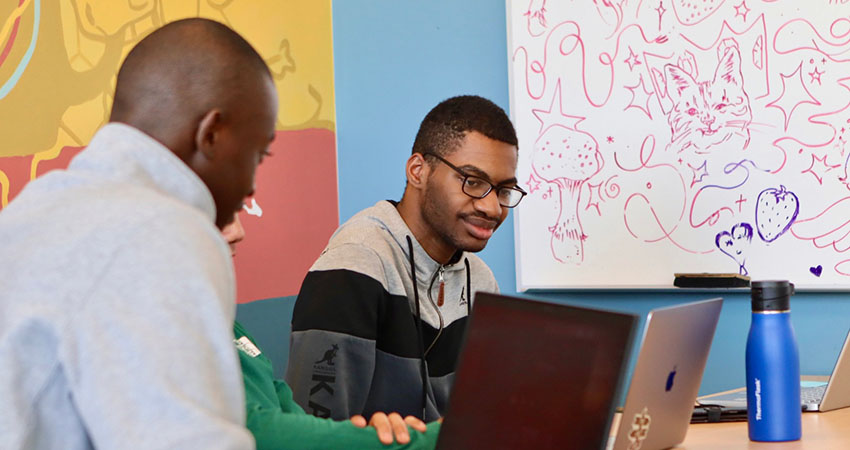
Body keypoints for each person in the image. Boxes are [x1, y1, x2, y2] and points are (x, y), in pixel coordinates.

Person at [0, 19, 276, 449]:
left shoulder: (34, 207)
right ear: (212, 134)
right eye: (258, 154)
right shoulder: (165, 231)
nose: (252, 188)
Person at [286, 95, 526, 422]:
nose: (492, 208)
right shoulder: (355, 265)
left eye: (503, 190)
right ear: (418, 171)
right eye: (473, 182)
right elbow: (316, 435)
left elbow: (483, 418)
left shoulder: (480, 280)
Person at [223, 214, 439, 449]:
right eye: (219, 214)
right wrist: (429, 440)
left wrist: (363, 435)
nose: (238, 232)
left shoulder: (230, 327)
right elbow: (255, 432)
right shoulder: (354, 260)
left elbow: (293, 419)